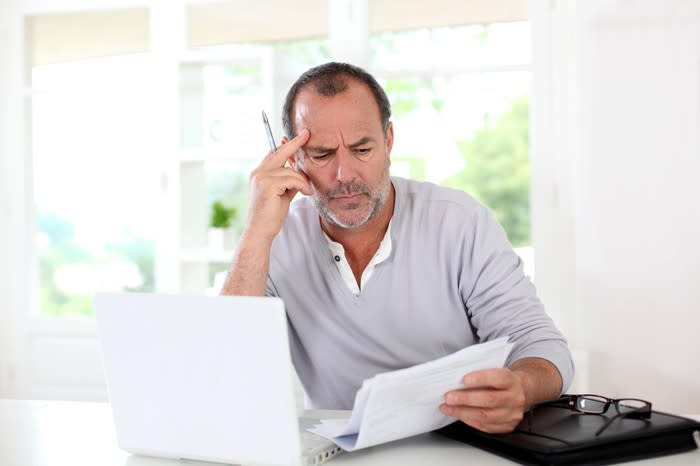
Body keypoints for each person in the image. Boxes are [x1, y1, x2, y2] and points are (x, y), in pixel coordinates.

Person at [221, 62, 573, 434]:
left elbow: (543, 348)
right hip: (339, 455)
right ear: (293, 158)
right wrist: (256, 235)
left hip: (454, 447)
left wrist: (520, 386)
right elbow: (225, 364)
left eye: (362, 149)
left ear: (388, 140)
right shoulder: (275, 239)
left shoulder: (459, 223)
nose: (345, 175)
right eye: (323, 154)